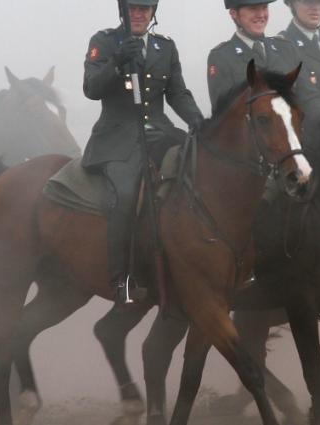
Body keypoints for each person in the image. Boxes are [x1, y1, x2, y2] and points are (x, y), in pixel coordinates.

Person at [82, 0, 204, 304]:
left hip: (160, 132)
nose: (139, 14)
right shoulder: (105, 42)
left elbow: (177, 93)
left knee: (202, 172)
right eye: (133, 8)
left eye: (145, 8)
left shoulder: (165, 47)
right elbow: (90, 88)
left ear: (153, 12)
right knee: (124, 195)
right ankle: (120, 280)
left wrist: (200, 123)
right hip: (118, 137)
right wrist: (117, 62)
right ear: (123, 10)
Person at [208, 0, 320, 123]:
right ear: (233, 14)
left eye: (264, 7)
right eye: (253, 8)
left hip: (298, 136)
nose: (261, 14)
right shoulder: (222, 57)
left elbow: (310, 97)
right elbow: (225, 116)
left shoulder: (286, 49)